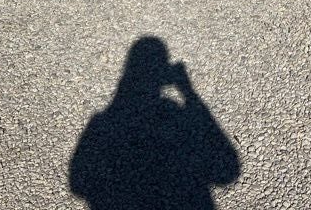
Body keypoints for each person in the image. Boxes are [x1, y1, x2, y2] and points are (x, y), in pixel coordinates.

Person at [69, 36, 240, 209]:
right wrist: (188, 91)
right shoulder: (174, 112)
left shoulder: (102, 123)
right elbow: (227, 172)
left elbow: (78, 183)